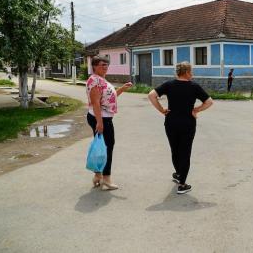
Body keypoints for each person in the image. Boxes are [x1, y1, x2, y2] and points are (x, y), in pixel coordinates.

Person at [148, 62, 213, 194]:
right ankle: (182, 184)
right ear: (187, 72)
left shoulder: (169, 84)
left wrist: (162, 110)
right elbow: (209, 102)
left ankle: (178, 174)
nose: (192, 74)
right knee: (185, 152)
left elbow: (151, 95)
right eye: (192, 71)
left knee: (175, 150)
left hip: (171, 123)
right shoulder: (194, 86)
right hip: (187, 124)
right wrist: (196, 110)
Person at [86, 56, 133, 190]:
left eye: (106, 65)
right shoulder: (94, 80)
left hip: (103, 117)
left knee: (101, 147)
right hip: (100, 118)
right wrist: (99, 123)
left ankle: (98, 176)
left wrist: (122, 89)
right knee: (107, 148)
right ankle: (106, 178)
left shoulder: (102, 80)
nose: (105, 67)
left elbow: (110, 98)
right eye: (102, 65)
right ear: (94, 66)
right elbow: (95, 103)